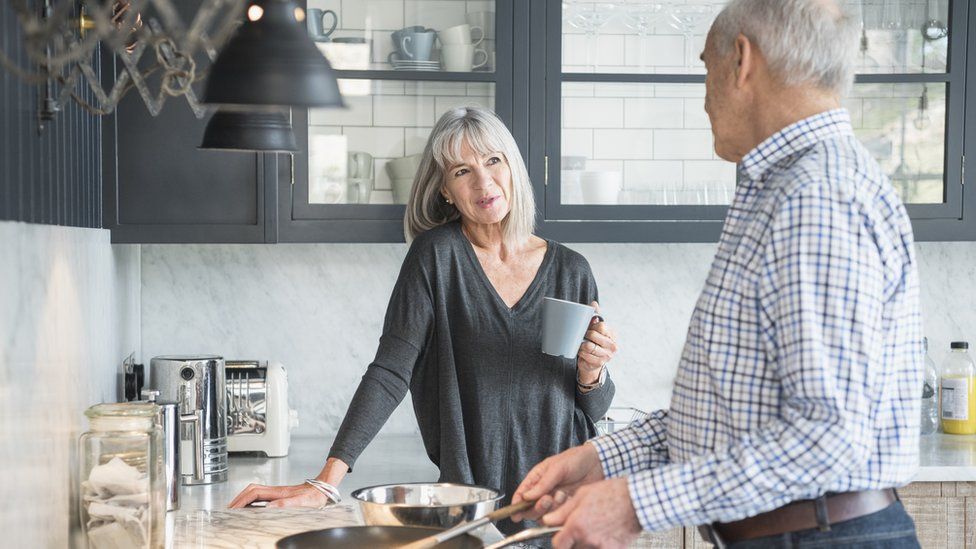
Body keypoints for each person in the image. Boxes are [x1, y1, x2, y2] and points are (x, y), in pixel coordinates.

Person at [511, 1, 923, 547]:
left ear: (741, 61)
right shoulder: (789, 188)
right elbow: (736, 414)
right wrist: (601, 457)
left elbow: (826, 435)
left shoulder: (817, 197)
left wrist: (635, 504)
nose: (703, 96)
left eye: (706, 67)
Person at [229, 106, 619, 536]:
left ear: (513, 166)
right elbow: (391, 371)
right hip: (472, 513)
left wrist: (592, 373)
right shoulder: (436, 258)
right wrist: (326, 481)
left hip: (563, 508)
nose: (483, 182)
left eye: (493, 161)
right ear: (446, 191)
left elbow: (592, 409)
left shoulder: (571, 270)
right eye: (461, 171)